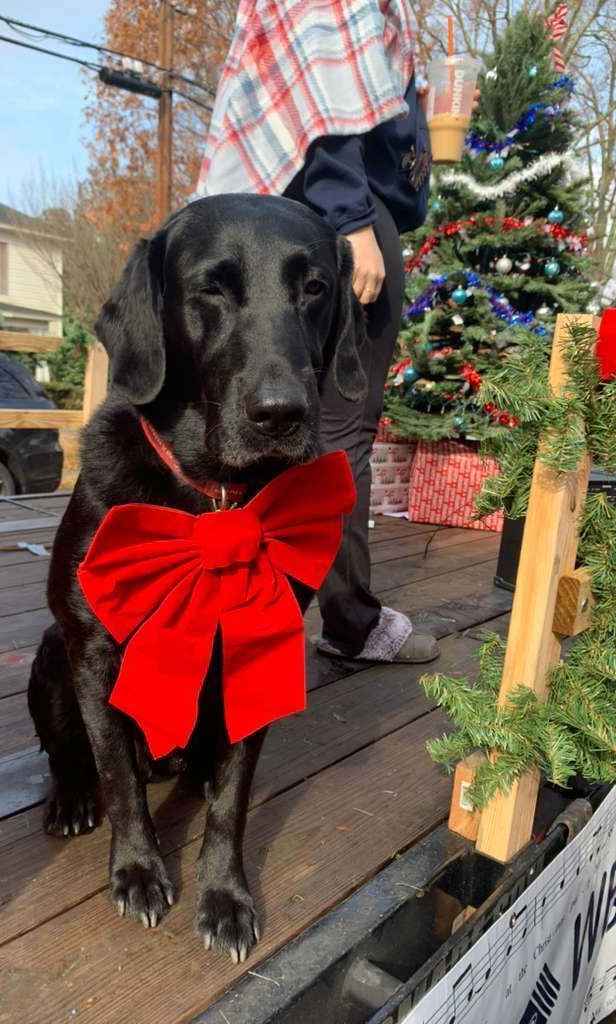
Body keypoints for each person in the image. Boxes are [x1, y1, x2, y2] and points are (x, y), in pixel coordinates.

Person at [195, 0, 441, 663]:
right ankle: (350, 622)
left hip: (269, 218)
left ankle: (221, 620)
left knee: (249, 423)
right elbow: (329, 85)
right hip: (334, 214)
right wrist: (352, 213)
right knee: (337, 433)